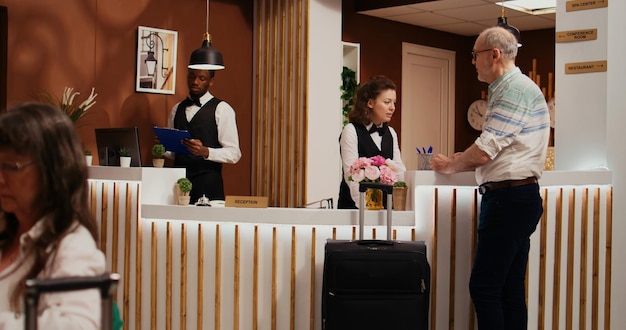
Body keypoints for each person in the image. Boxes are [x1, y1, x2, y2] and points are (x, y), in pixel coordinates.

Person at [429, 27, 550, 329]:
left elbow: (486, 150)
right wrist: (461, 158)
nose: (472, 62)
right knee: (508, 289)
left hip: (508, 198)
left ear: (494, 55)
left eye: (475, 55)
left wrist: (452, 165)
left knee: (485, 287)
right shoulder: (511, 87)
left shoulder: (513, 89)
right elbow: (494, 147)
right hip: (519, 197)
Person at [0, 102, 106, 328]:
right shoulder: (6, 230)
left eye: (12, 166)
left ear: (53, 171)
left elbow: (79, 325)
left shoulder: (71, 246)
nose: (1, 177)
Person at [167, 69, 242, 204]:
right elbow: (174, 154)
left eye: (201, 78)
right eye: (192, 77)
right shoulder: (176, 109)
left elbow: (234, 153)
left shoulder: (222, 109)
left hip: (209, 185)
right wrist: (165, 145)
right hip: (178, 185)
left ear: (211, 81)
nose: (195, 82)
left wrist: (206, 151)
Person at [338, 75, 406, 209]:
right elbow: (350, 177)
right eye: (387, 102)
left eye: (394, 103)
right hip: (354, 209)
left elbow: (399, 171)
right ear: (370, 103)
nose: (392, 107)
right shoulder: (351, 131)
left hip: (385, 210)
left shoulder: (391, 133)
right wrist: (368, 210)